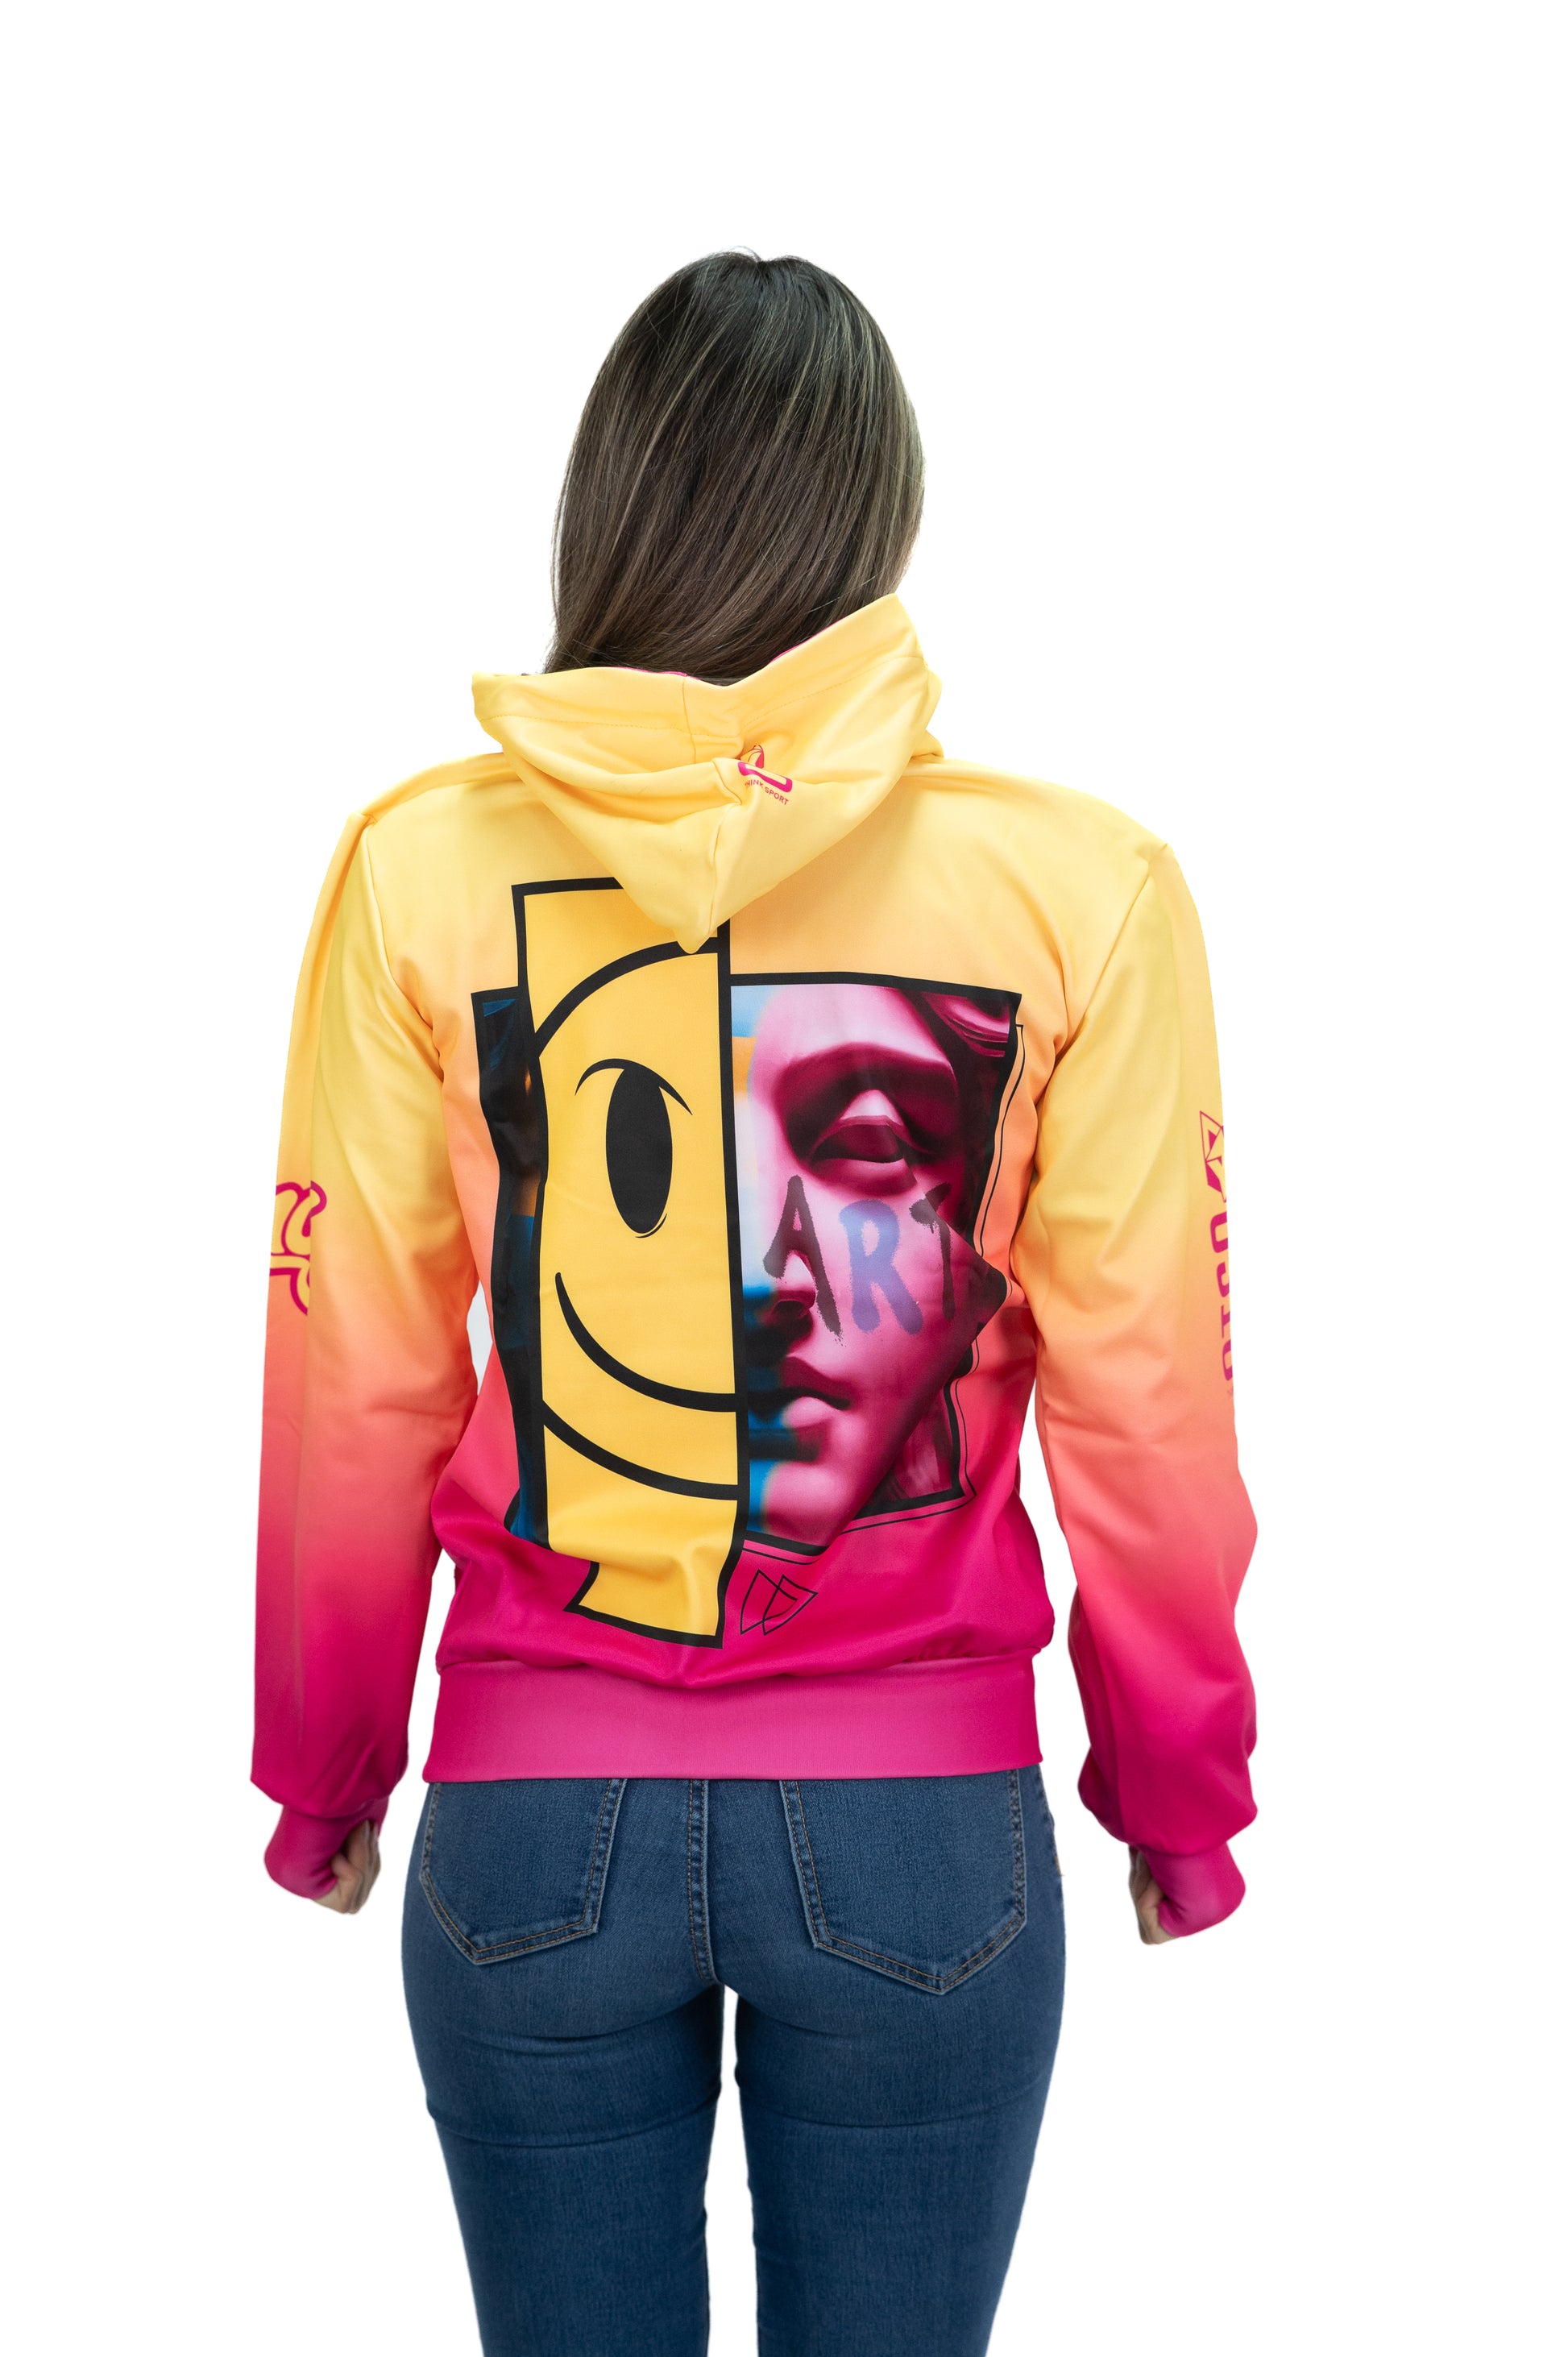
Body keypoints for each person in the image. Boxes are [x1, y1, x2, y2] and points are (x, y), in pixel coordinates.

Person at [255, 251, 1258, 2357]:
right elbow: (1145, 1396)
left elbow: (354, 1374)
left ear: (607, 500)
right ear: (884, 515)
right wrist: (1178, 1788)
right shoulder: (1078, 883)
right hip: (925, 1835)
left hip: (530, 1825)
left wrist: (325, 1769)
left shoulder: (422, 867)